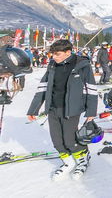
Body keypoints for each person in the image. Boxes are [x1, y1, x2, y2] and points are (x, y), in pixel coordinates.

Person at [26, 39, 98, 181]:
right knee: (57, 141)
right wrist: (33, 109)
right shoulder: (52, 65)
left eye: (57, 54)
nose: (54, 57)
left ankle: (83, 159)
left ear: (68, 52)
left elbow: (91, 89)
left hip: (71, 109)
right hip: (53, 108)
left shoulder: (82, 65)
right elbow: (43, 87)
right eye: (53, 54)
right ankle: (68, 162)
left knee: (70, 140)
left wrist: (91, 112)